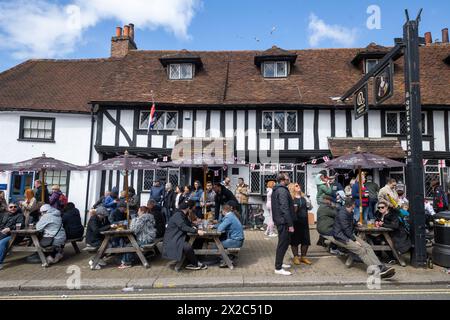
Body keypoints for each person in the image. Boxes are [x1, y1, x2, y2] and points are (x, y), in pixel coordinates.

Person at [332, 198, 396, 279]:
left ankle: (380, 266)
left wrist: (356, 223)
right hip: (341, 237)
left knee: (367, 247)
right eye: (354, 204)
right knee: (360, 250)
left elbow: (351, 222)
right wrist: (355, 241)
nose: (355, 206)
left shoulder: (349, 212)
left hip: (348, 235)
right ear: (351, 205)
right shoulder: (342, 214)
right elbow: (345, 229)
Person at [162, 200, 208, 270]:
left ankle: (194, 258)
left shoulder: (182, 215)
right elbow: (183, 227)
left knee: (200, 239)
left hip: (178, 237)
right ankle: (195, 263)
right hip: (173, 240)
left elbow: (188, 224)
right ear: (187, 208)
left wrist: (194, 225)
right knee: (187, 247)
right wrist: (196, 231)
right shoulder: (178, 215)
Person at [272, 173, 295, 276]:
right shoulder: (281, 190)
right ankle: (278, 268)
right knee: (283, 243)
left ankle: (280, 263)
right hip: (283, 222)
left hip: (281, 221)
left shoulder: (279, 189)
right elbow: (284, 208)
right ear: (282, 180)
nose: (289, 179)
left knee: (285, 243)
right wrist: (290, 224)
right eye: (287, 178)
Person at [214, 200, 245, 267]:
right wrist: (214, 226)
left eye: (221, 211)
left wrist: (216, 226)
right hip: (238, 240)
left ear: (224, 211)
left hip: (235, 241)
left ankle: (227, 261)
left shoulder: (228, 217)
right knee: (220, 241)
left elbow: (220, 229)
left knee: (216, 245)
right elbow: (222, 224)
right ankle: (228, 258)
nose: (221, 213)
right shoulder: (231, 215)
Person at [288, 183, 312, 266]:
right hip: (295, 221)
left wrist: (308, 200)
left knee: (305, 240)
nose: (299, 187)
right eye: (296, 186)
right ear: (292, 188)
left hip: (304, 221)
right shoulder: (291, 198)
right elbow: (289, 210)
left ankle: (303, 257)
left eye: (299, 185)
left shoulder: (304, 197)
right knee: (295, 240)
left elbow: (310, 207)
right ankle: (295, 257)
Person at [0, 203, 25, 270]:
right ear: (8, 208)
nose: (13, 208)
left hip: (14, 235)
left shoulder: (20, 216)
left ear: (17, 208)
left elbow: (21, 225)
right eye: (11, 207)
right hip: (3, 234)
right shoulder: (4, 215)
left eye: (15, 207)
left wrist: (10, 229)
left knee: (2, 243)